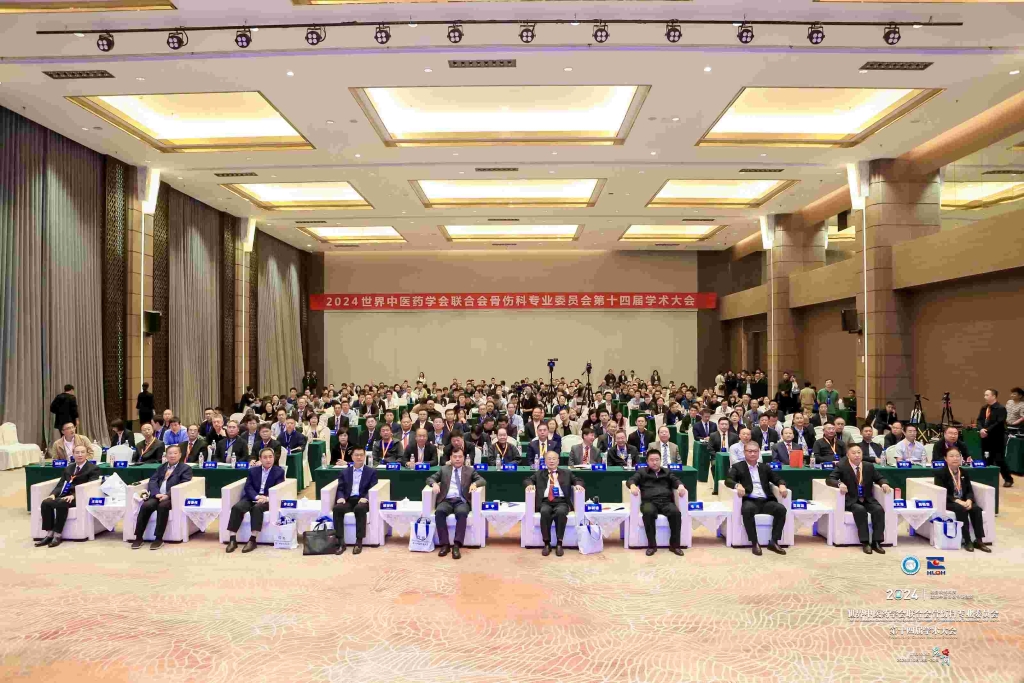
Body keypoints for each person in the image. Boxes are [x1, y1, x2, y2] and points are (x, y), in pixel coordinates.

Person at [726, 441, 789, 556]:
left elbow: (777, 478)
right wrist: (737, 485)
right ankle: (755, 543)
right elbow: (728, 480)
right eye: (749, 451)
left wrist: (781, 484)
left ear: (759, 453)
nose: (752, 454)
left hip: (766, 500)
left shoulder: (764, 467)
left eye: (755, 451)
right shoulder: (738, 467)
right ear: (744, 452)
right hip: (750, 500)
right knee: (747, 510)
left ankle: (774, 542)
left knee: (781, 509)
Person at [827, 444, 891, 554]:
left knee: (878, 510)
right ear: (848, 455)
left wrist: (884, 483)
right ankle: (865, 542)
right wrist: (839, 484)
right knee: (860, 510)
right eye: (853, 453)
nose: (857, 455)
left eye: (859, 452)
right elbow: (830, 479)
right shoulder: (842, 466)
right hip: (851, 500)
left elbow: (880, 478)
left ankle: (876, 542)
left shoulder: (868, 466)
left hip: (867, 498)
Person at [34, 444, 100, 547]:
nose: (80, 455)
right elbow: (61, 484)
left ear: (87, 454)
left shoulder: (93, 468)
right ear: (73, 454)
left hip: (81, 497)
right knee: (46, 502)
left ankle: (57, 535)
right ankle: (49, 534)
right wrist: (53, 495)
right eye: (77, 453)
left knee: (62, 502)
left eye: (82, 452)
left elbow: (91, 486)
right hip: (64, 495)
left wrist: (74, 495)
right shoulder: (69, 468)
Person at [130, 444, 193, 550]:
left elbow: (183, 483)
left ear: (180, 455)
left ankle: (158, 538)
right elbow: (153, 480)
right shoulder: (162, 467)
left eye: (175, 453)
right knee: (146, 505)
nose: (172, 455)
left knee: (162, 506)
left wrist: (168, 495)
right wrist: (156, 493)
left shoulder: (185, 468)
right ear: (166, 455)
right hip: (158, 495)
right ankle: (138, 537)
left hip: (172, 498)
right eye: (170, 453)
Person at [426, 448, 485, 560]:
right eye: (455, 457)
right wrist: (434, 484)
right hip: (446, 500)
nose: (457, 459)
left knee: (462, 513)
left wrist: (475, 484)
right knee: (439, 512)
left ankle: (457, 545)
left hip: (461, 501)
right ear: (450, 458)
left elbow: (482, 480)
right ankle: (445, 545)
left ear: (464, 458)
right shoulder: (444, 470)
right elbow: (430, 478)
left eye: (460, 457)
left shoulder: (470, 470)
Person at [524, 451, 585, 556]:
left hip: (561, 501)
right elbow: (527, 479)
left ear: (558, 461)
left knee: (561, 512)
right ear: (545, 461)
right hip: (545, 501)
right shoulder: (539, 474)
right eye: (549, 459)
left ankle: (559, 543)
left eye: (554, 459)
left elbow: (578, 480)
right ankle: (546, 543)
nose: (551, 461)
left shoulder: (566, 473)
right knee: (544, 512)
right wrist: (529, 484)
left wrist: (578, 484)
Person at [225, 448, 285, 554]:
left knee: (256, 509)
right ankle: (232, 539)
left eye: (270, 457)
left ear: (274, 458)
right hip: (253, 497)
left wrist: (267, 498)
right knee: (237, 508)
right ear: (260, 459)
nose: (268, 460)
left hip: (268, 499)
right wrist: (256, 497)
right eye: (265, 457)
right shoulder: (253, 470)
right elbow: (248, 487)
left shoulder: (279, 472)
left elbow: (279, 488)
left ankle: (252, 540)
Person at [628, 449, 685, 556]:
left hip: (666, 501)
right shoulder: (642, 472)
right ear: (647, 461)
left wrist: (680, 486)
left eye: (657, 460)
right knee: (648, 513)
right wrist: (632, 486)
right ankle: (652, 546)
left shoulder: (667, 472)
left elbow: (675, 480)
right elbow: (631, 480)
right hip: (649, 502)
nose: (654, 462)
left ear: (660, 460)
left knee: (676, 513)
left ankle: (675, 546)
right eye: (652, 460)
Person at [934, 448, 991, 552]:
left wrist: (969, 500)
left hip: (964, 500)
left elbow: (969, 490)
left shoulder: (964, 472)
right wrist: (957, 501)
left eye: (957, 456)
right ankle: (967, 540)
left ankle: (979, 540)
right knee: (961, 509)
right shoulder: (940, 473)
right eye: (951, 456)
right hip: (949, 502)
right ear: (945, 458)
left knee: (976, 509)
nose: (955, 458)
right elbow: (942, 492)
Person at [331, 448, 377, 554]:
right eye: (356, 455)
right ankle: (341, 542)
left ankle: (358, 542)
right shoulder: (345, 472)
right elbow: (340, 488)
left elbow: (373, 487)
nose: (359, 457)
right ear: (352, 457)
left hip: (362, 500)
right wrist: (340, 497)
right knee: (337, 508)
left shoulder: (371, 472)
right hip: (348, 499)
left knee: (359, 509)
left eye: (361, 455)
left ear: (364, 457)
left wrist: (366, 497)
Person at [977, 388, 1012, 487]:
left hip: (997, 438)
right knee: (986, 458)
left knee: (999, 459)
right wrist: (981, 429)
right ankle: (987, 478)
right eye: (984, 395)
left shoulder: (1001, 408)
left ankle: (1008, 479)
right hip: (985, 437)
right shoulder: (984, 408)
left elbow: (999, 423)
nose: (985, 397)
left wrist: (987, 431)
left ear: (993, 396)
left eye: (987, 395)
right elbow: (979, 420)